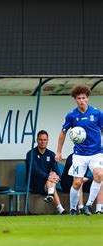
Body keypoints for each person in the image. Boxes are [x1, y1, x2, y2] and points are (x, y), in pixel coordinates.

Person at [55, 84, 103, 216]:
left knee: (99, 175)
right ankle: (73, 208)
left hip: (96, 153)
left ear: (87, 98)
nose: (81, 100)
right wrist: (59, 151)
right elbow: (63, 132)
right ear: (75, 100)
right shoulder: (71, 116)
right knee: (77, 182)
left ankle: (88, 205)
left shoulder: (97, 113)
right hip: (80, 154)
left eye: (83, 98)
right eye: (78, 98)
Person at [25, 130, 67, 214]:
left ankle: (59, 206)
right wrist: (49, 176)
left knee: (53, 175)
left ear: (47, 141)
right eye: (40, 139)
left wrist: (56, 176)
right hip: (34, 182)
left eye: (45, 140)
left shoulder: (51, 154)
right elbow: (35, 170)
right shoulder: (31, 154)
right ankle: (53, 197)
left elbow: (57, 171)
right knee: (51, 180)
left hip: (48, 182)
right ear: (37, 140)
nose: (42, 142)